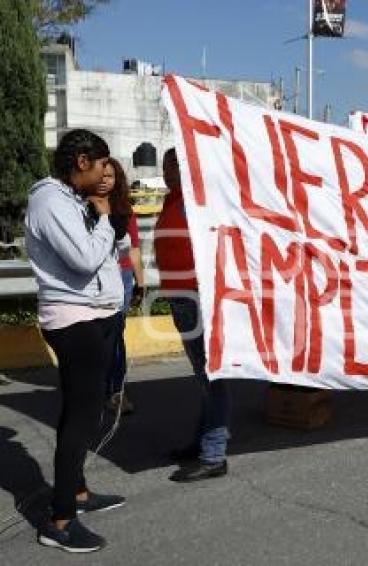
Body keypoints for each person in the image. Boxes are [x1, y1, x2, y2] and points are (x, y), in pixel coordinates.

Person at [25, 129, 127, 553]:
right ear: (82, 161)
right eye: (102, 164)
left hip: (93, 315)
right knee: (81, 418)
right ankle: (60, 519)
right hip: (74, 320)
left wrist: (103, 211)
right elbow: (85, 258)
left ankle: (78, 493)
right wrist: (102, 214)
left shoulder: (72, 200)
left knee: (81, 412)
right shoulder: (50, 200)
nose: (107, 173)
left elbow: (108, 250)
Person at [154, 148, 230, 482]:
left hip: (198, 296)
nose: (168, 172)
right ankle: (206, 441)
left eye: (175, 166)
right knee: (204, 377)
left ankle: (214, 454)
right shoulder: (173, 200)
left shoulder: (197, 201)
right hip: (180, 297)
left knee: (212, 376)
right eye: (166, 166)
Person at [96, 158, 145, 414]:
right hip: (90, 282)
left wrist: (140, 282)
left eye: (111, 176)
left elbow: (134, 249)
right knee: (95, 336)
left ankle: (116, 392)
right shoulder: (82, 206)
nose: (105, 180)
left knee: (115, 336)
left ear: (118, 180)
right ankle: (94, 390)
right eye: (101, 175)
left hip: (122, 278)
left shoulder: (125, 210)